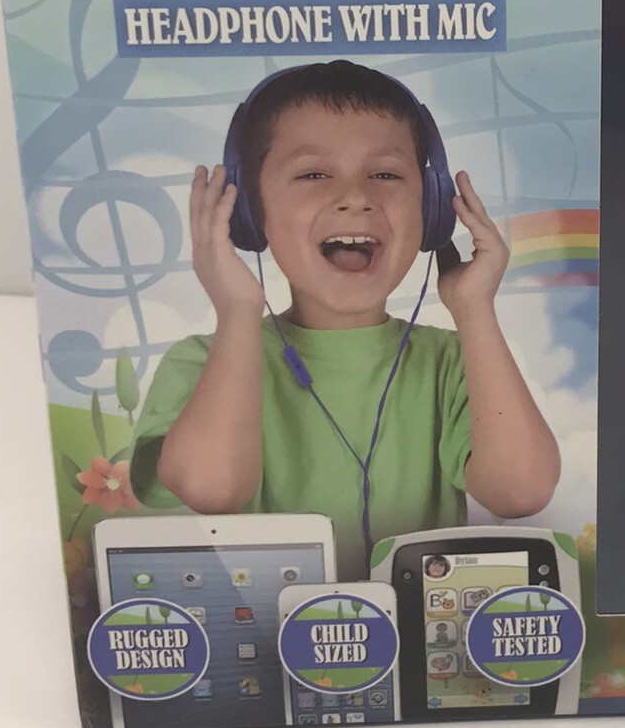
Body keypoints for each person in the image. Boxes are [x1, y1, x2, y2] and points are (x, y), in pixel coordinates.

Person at [130, 61, 560, 580]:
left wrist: (475, 308)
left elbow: (521, 491)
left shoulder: (454, 361)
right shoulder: (201, 361)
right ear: (249, 211)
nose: (356, 197)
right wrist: (238, 310)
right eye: (314, 174)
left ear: (431, 208)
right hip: (270, 627)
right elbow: (213, 488)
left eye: (386, 175)